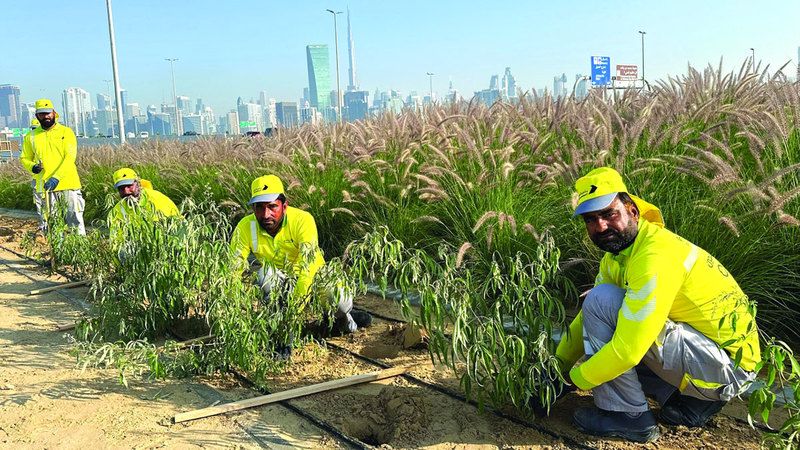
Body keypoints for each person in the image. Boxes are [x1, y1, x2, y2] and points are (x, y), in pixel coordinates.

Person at [554, 167, 760, 443]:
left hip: (726, 370)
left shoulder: (654, 256)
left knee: (603, 307)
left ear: (633, 210)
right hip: (713, 356)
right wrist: (557, 367)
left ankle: (629, 417)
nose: (600, 226)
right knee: (605, 318)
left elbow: (627, 351)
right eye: (590, 219)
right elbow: (584, 323)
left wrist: (573, 380)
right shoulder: (619, 254)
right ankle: (692, 400)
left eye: (608, 214)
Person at [229, 175, 372, 345]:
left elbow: (307, 270)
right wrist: (231, 313)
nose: (266, 214)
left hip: (315, 279)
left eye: (272, 207)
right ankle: (278, 324)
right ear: (253, 208)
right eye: (259, 208)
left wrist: (291, 318)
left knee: (338, 298)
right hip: (281, 284)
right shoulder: (245, 227)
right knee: (265, 275)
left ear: (285, 205)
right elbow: (233, 268)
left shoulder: (302, 220)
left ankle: (340, 317)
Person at [20, 99, 85, 235]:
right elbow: (24, 158)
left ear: (54, 113)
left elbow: (70, 157)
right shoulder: (31, 136)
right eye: (42, 114)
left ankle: (79, 254)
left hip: (68, 184)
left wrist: (56, 177)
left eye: (48, 113)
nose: (46, 116)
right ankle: (58, 254)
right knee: (52, 226)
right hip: (45, 188)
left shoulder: (66, 132)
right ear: (37, 116)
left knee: (75, 223)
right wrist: (32, 167)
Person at [107, 167, 180, 233]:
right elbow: (116, 236)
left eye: (129, 186)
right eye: (121, 188)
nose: (126, 191)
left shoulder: (156, 199)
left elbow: (169, 229)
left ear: (138, 183)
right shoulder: (118, 210)